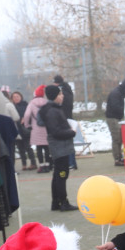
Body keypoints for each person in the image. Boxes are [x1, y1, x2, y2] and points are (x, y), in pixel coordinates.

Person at [38, 84, 79, 212]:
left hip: (61, 146)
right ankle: (63, 202)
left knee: (58, 174)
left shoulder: (54, 109)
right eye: (60, 94)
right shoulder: (52, 111)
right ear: (55, 96)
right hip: (60, 146)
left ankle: (56, 202)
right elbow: (55, 131)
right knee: (62, 174)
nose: (62, 96)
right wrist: (71, 132)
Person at [105, 78, 125, 167]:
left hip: (116, 118)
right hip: (112, 118)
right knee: (117, 138)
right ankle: (117, 159)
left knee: (119, 138)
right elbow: (115, 107)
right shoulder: (116, 94)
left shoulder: (120, 93)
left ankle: (119, 157)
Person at [23, 85, 51, 173]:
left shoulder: (31, 103)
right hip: (46, 128)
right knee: (47, 148)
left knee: (39, 148)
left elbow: (27, 115)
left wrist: (27, 125)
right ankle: (47, 166)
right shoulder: (47, 102)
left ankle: (41, 166)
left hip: (36, 128)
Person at [52, 74, 77, 170]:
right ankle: (72, 162)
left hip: (64, 118)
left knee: (66, 142)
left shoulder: (62, 91)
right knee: (69, 141)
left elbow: (62, 105)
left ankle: (70, 163)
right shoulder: (68, 89)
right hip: (68, 117)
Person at [11, 91, 37, 172]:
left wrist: (25, 119)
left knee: (28, 147)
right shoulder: (12, 107)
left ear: (21, 97)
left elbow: (31, 115)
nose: (16, 98)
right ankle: (24, 164)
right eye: (14, 97)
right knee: (20, 148)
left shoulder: (26, 105)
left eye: (17, 96)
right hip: (16, 130)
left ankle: (33, 163)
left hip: (25, 129)